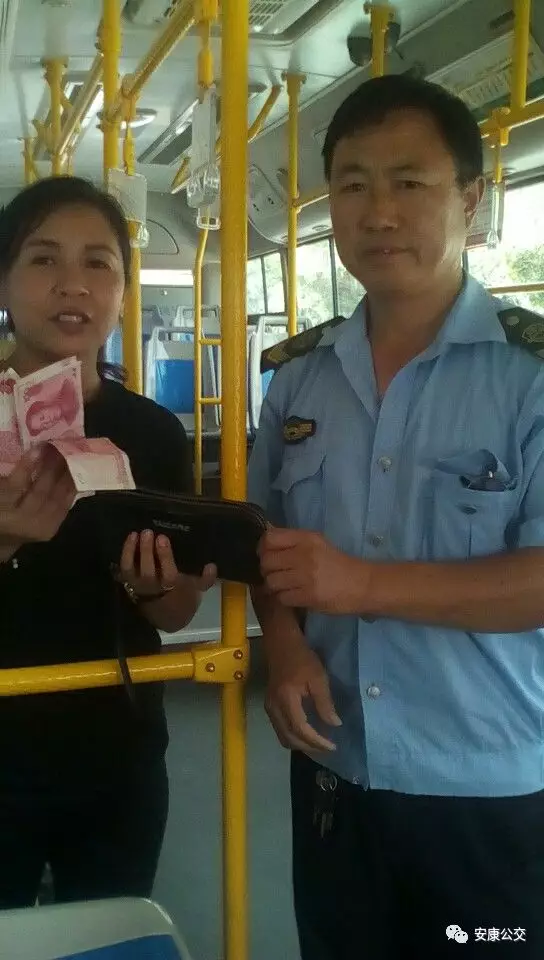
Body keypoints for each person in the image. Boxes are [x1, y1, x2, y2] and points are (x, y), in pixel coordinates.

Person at [248, 75, 544, 958]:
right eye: (352, 184)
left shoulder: (529, 380)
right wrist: (285, 645)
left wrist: (362, 584)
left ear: (471, 198)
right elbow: (261, 543)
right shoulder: (298, 381)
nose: (378, 212)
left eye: (409, 183)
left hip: (487, 792)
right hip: (334, 772)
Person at [0, 176, 215, 908]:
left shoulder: (153, 432)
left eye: (99, 263)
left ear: (122, 290)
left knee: (109, 934)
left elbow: (176, 615)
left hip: (116, 750)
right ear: (4, 279)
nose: (73, 284)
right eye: (43, 259)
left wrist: (157, 588)